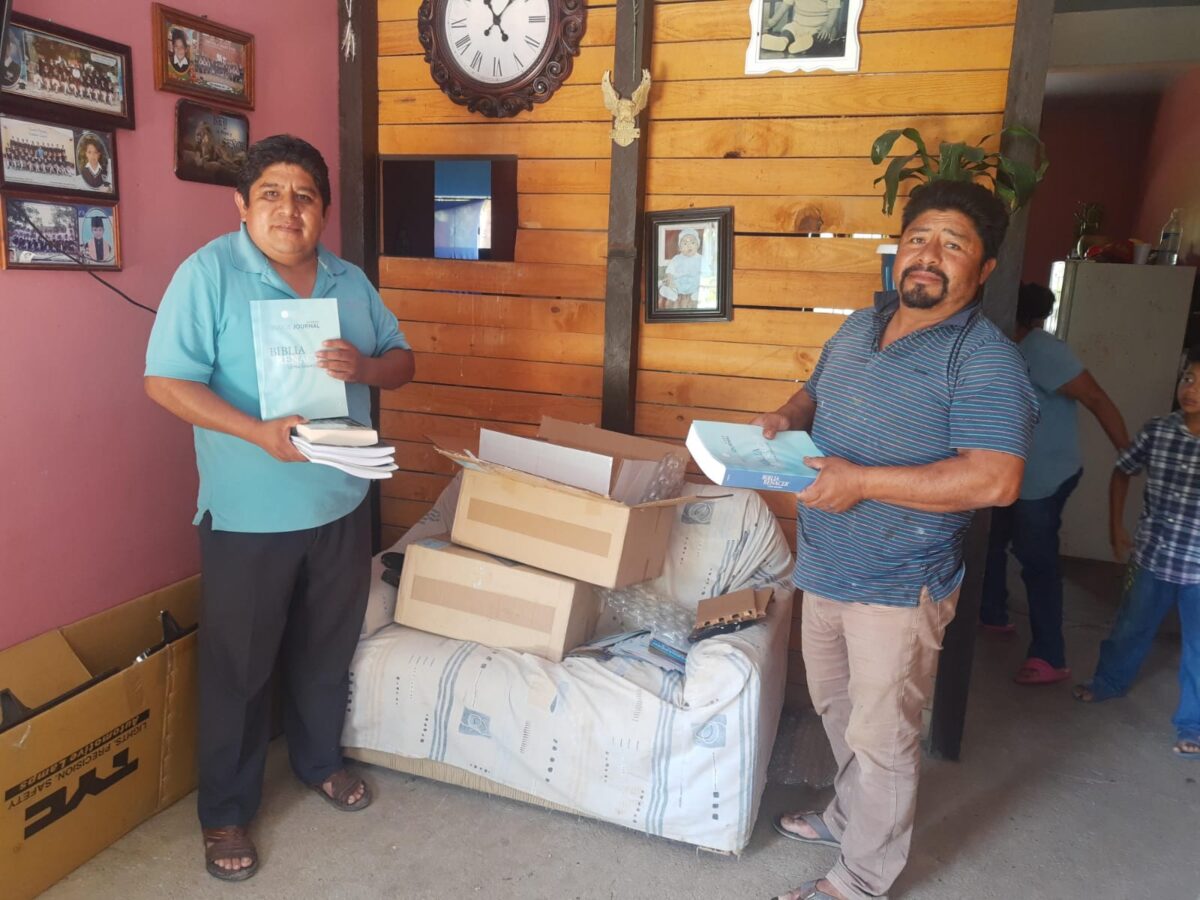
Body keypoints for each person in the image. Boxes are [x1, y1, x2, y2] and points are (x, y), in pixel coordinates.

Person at [144, 134, 416, 882]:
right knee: (239, 668)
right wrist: (256, 433)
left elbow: (403, 360)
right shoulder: (208, 275)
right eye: (270, 193)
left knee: (327, 649)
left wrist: (365, 367)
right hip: (249, 515)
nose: (287, 208)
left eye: (303, 195)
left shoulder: (348, 281)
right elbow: (166, 382)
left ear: (323, 211)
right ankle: (226, 811)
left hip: (341, 500)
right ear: (241, 205)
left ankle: (318, 761)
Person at [756, 180, 1038, 900]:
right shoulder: (858, 326)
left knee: (883, 740)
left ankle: (861, 877)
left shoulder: (983, 360)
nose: (929, 255)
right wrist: (786, 415)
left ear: (985, 268)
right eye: (919, 238)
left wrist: (863, 481)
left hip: (897, 583)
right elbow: (813, 389)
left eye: (953, 244)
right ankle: (848, 816)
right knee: (840, 714)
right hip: (825, 564)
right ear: (897, 249)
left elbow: (996, 479)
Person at [980, 283, 1129, 684]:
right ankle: (991, 613)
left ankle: (1050, 655)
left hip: (1044, 478)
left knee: (1038, 561)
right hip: (1007, 475)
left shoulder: (1044, 350)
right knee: (989, 543)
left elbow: (1097, 398)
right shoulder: (996, 345)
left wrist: (1128, 452)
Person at [1072, 350, 1200, 762]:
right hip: (1153, 557)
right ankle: (1109, 682)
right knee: (1130, 627)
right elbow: (1122, 470)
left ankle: (1192, 724)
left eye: (1199, 382)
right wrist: (1115, 527)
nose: (1189, 389)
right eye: (1187, 378)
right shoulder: (1158, 431)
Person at [659, 227, 705, 309]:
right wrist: (670, 280)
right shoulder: (677, 258)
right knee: (669, 285)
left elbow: (706, 272)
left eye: (692, 242)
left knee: (701, 285)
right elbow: (670, 271)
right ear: (680, 247)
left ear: (697, 245)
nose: (689, 246)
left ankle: (697, 294)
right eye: (685, 243)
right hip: (679, 282)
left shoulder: (701, 259)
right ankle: (673, 293)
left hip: (694, 283)